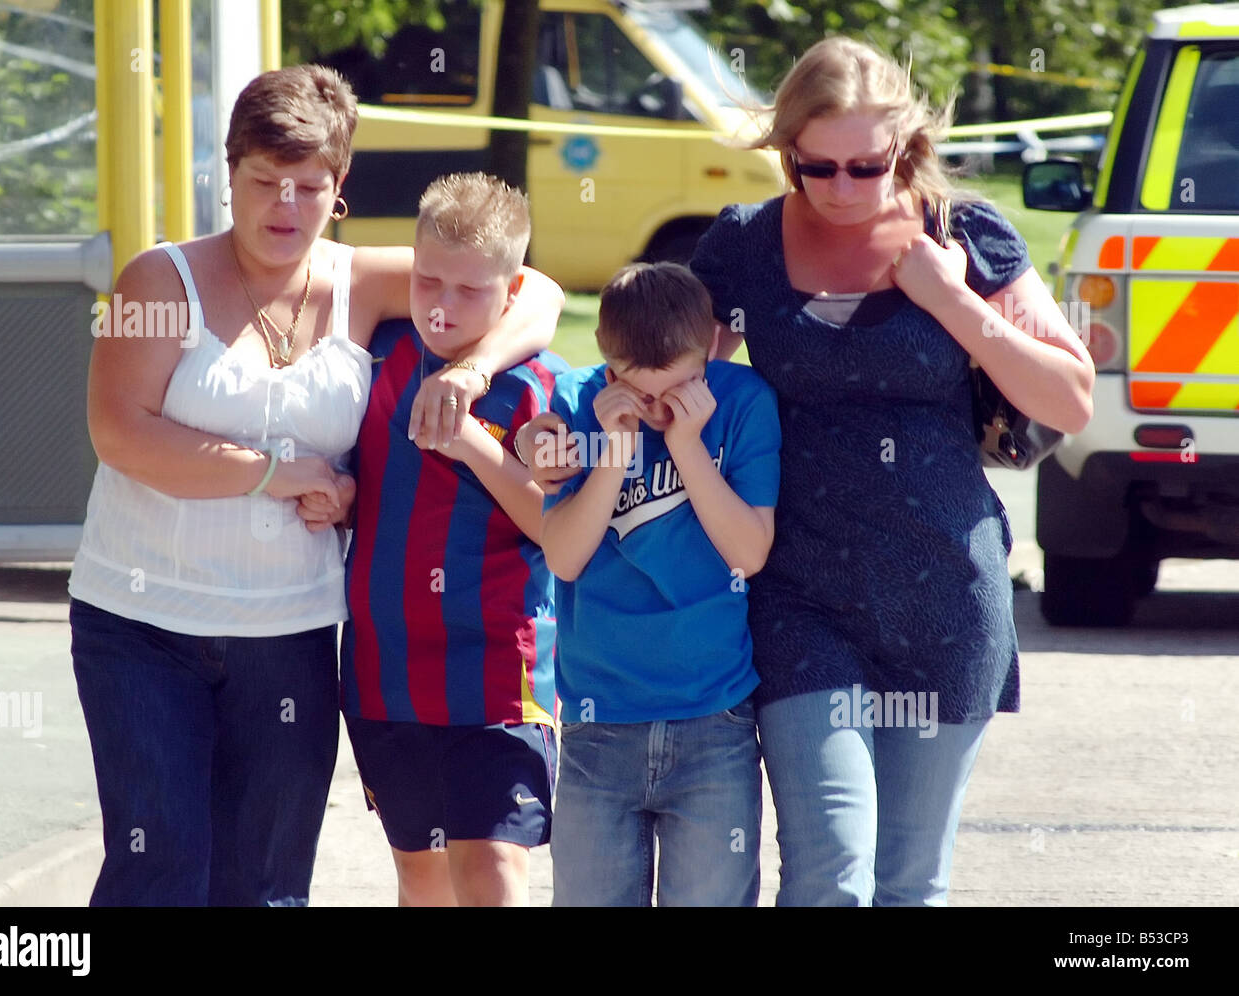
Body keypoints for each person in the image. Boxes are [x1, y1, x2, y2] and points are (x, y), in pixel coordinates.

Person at [523, 37, 1094, 906]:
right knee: (830, 875)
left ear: (906, 149)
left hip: (944, 593)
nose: (837, 189)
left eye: (865, 168)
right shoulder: (747, 245)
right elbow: (653, 359)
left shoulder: (963, 233)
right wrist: (551, 432)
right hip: (799, 598)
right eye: (812, 166)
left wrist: (952, 302)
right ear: (785, 150)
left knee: (909, 885)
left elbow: (1070, 398)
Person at [67, 67, 562, 906]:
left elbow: (533, 289)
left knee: (267, 883)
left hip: (290, 632)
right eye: (264, 181)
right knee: (163, 865)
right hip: (141, 624)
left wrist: (474, 371)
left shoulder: (360, 279)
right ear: (229, 175)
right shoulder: (155, 281)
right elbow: (119, 433)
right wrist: (275, 473)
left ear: (339, 189)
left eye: (309, 186)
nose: (285, 206)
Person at [338, 172, 567, 907]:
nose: (442, 305)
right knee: (424, 875)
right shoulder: (376, 362)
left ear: (513, 288)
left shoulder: (541, 387)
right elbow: (356, 484)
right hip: (386, 672)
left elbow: (556, 530)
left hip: (501, 671)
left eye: (469, 291)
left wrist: (471, 442)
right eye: (427, 279)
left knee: (494, 867)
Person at [539, 262, 780, 906]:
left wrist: (688, 446)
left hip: (713, 716)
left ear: (707, 348)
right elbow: (563, 558)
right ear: (610, 368)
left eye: (683, 385)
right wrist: (613, 454)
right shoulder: (575, 402)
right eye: (644, 394)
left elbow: (749, 552)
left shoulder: (743, 402)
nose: (662, 406)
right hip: (598, 718)